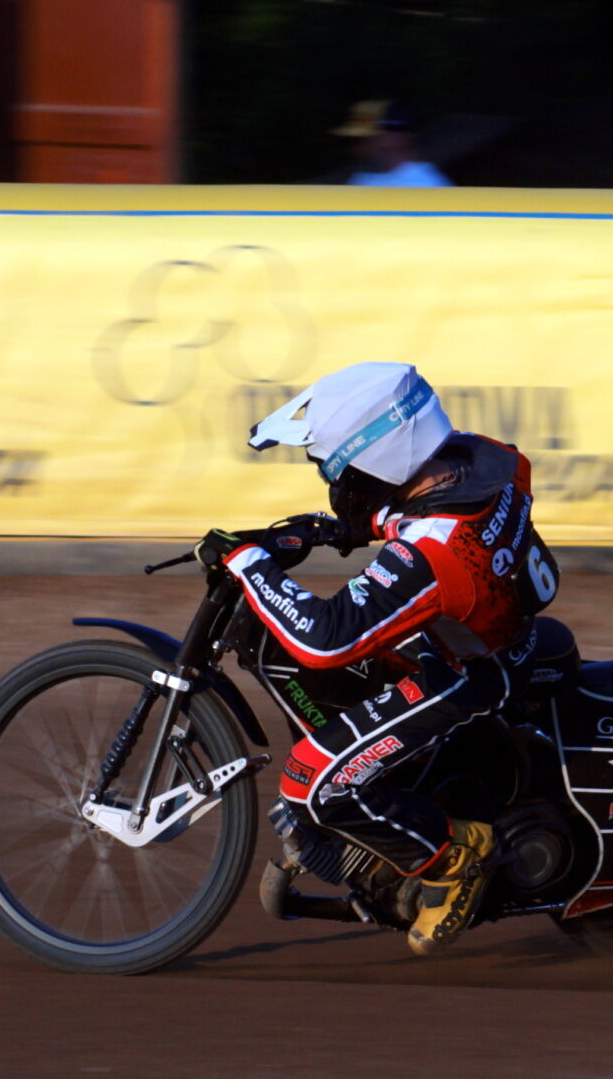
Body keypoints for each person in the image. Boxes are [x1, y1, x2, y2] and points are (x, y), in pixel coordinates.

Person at [207, 361, 558, 954]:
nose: (331, 479)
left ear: (378, 458)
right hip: (490, 632)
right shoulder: (490, 458)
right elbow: (432, 503)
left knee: (310, 781)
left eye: (333, 467)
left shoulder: (435, 553)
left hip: (466, 673)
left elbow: (325, 640)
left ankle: (454, 859)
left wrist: (247, 563)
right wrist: (344, 529)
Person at [334, 99, 453, 187]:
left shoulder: (423, 185)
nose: (357, 144)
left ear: (397, 137)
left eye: (367, 136)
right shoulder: (363, 176)